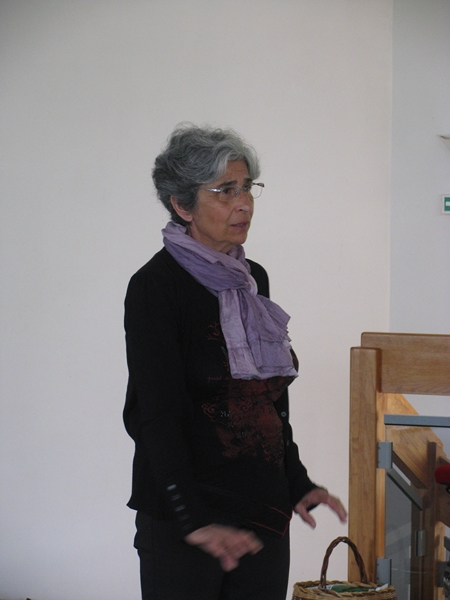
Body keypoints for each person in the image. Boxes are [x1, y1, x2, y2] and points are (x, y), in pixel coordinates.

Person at [123, 124, 347, 600]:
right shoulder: (155, 287)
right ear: (182, 205)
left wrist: (296, 480)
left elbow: (265, 398)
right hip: (189, 520)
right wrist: (192, 519)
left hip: (262, 513)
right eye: (225, 191)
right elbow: (154, 413)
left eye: (247, 187)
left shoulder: (252, 279)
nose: (243, 204)